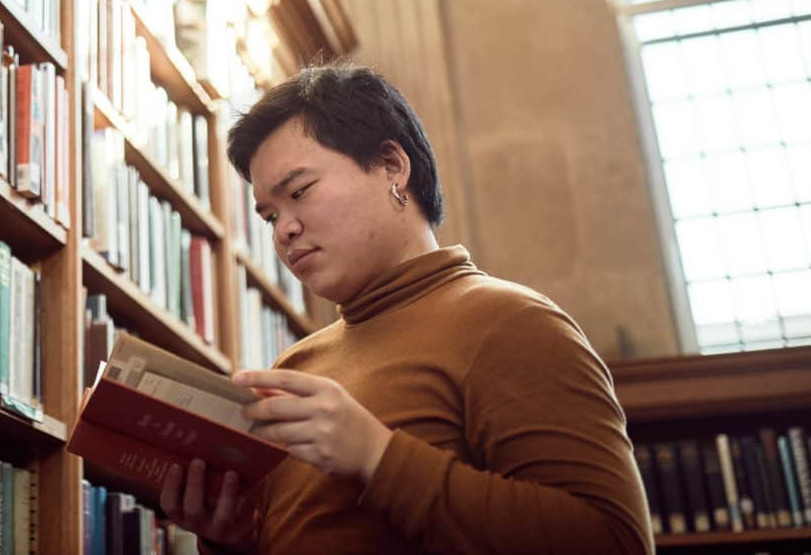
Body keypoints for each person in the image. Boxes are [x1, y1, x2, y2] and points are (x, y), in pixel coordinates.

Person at [160, 62, 653, 554]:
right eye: (269, 215)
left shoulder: (512, 323)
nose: (282, 230)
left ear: (392, 166)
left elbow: (614, 541)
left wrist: (378, 457)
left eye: (300, 192)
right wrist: (233, 540)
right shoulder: (293, 366)